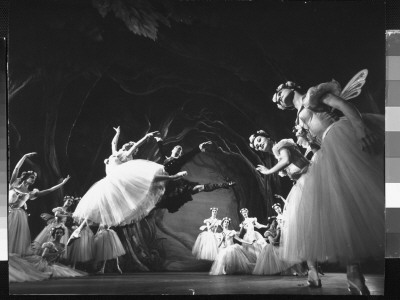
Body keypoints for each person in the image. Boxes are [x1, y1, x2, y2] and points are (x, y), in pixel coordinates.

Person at [271, 79, 384, 294]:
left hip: (341, 137)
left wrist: (360, 129)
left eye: (278, 90)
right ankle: (353, 271)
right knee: (342, 211)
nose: (277, 97)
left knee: (357, 200)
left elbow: (343, 105)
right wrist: (310, 143)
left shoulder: (311, 96)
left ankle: (354, 271)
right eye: (276, 99)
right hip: (327, 152)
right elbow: (317, 145)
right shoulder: (298, 119)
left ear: (291, 86)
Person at [70, 127, 186, 242]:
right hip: (108, 183)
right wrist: (118, 132)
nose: (126, 145)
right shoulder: (115, 154)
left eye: (129, 146)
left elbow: (136, 146)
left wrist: (146, 136)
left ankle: (93, 231)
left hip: (116, 183)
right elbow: (113, 142)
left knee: (103, 207)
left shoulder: (125, 156)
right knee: (96, 207)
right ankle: (78, 231)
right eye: (128, 145)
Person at [9, 152, 70, 255]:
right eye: (32, 177)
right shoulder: (14, 183)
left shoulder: (31, 193)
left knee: (11, 235)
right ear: (26, 177)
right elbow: (16, 169)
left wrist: (62, 183)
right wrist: (25, 156)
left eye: (34, 178)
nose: (33, 179)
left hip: (17, 215)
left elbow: (49, 190)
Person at [154, 137, 235, 213]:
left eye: (180, 150)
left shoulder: (179, 161)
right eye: (177, 148)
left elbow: (190, 154)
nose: (178, 150)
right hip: (159, 183)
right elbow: (161, 150)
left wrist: (199, 147)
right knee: (155, 204)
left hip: (173, 185)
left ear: (180, 154)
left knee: (198, 188)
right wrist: (158, 139)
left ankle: (224, 185)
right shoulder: (165, 158)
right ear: (172, 150)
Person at [32, 195, 75, 259]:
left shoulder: (67, 211)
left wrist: (69, 215)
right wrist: (67, 215)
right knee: (50, 239)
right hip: (55, 225)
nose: (69, 202)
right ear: (65, 200)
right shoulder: (60, 208)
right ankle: (43, 254)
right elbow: (57, 214)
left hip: (62, 226)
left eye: (71, 202)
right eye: (69, 200)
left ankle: (51, 256)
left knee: (58, 241)